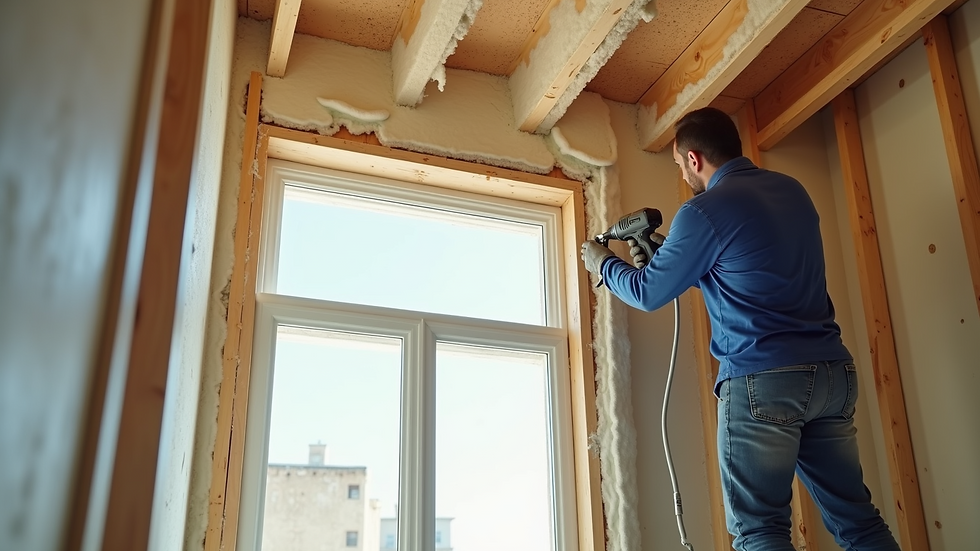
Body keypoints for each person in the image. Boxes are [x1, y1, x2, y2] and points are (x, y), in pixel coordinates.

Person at [579, 107, 900, 551]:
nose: (683, 175)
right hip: (831, 375)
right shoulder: (792, 191)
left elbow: (649, 294)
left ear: (694, 159)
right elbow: (752, 269)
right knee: (858, 523)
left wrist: (603, 265)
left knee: (760, 530)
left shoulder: (703, 211)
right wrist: (672, 259)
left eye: (678, 165)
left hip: (764, 380)